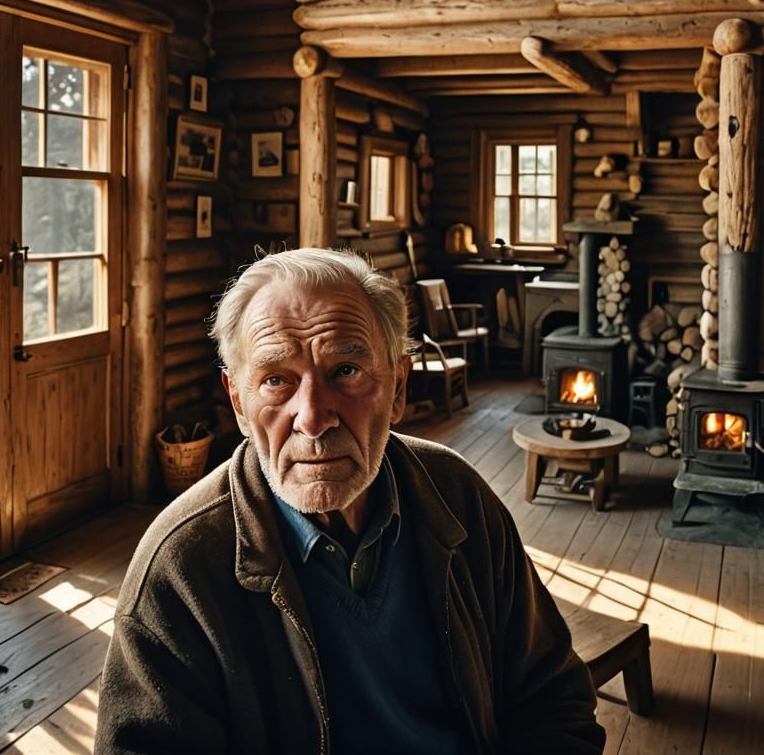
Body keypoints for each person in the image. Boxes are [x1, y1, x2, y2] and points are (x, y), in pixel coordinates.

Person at [95, 248, 604, 754]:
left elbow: (552, 697)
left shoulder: (456, 495)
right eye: (276, 379)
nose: (313, 418)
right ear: (239, 404)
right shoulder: (179, 568)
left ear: (398, 386)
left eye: (345, 371)